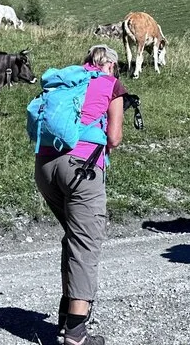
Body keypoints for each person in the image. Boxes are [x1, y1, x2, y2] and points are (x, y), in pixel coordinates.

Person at [36, 44, 126, 345]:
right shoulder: (111, 84)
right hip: (82, 169)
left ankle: (66, 316)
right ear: (110, 65)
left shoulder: (68, 80)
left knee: (73, 237)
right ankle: (75, 334)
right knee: (85, 242)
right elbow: (114, 137)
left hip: (46, 166)